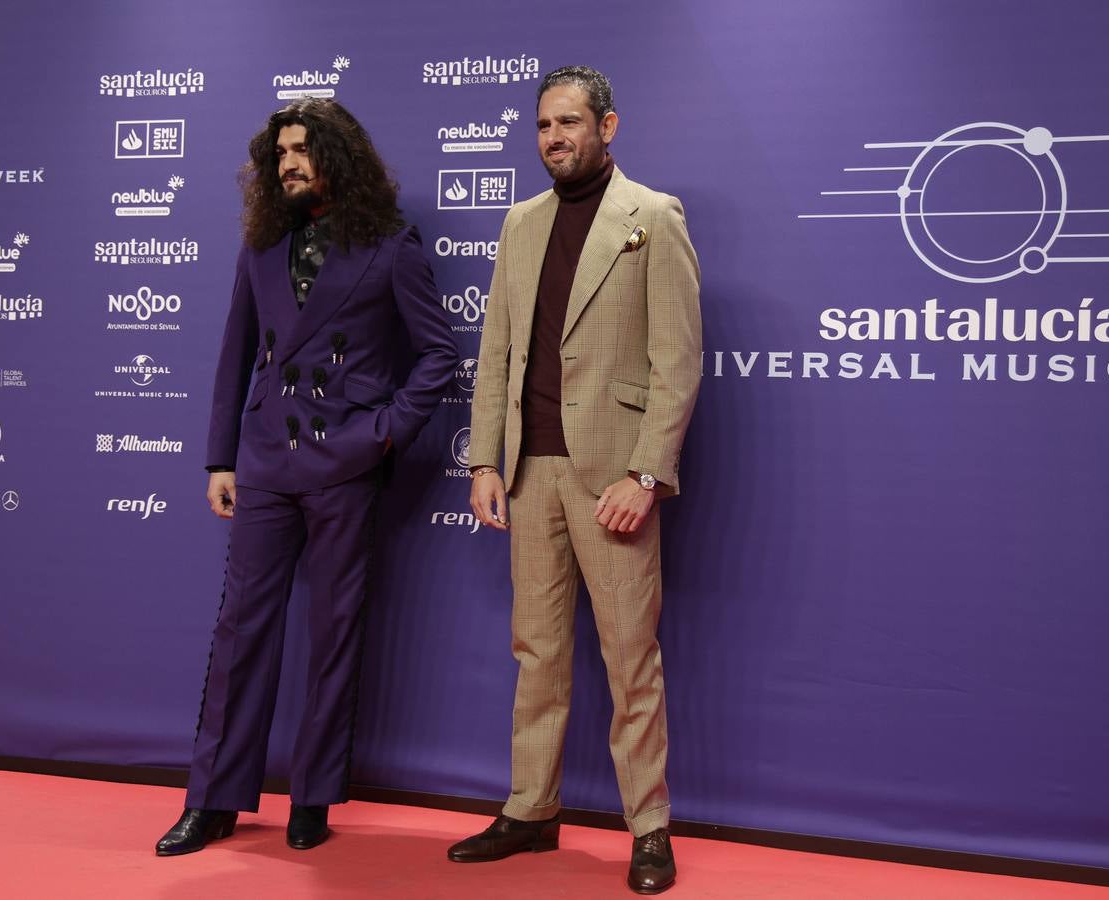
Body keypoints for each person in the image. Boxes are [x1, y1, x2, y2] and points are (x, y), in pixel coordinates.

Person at [155, 98, 458, 856]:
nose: (288, 162)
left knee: (333, 631)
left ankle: (314, 796)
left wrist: (382, 435)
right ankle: (214, 799)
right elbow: (234, 352)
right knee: (240, 631)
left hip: (344, 462)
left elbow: (436, 355)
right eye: (280, 152)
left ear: (337, 156)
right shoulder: (259, 246)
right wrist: (220, 458)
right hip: (262, 458)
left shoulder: (391, 245)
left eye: (302, 149)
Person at [449, 66, 702, 894]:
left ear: (608, 126)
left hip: (612, 480)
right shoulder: (519, 223)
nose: (554, 138)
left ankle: (650, 828)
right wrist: (484, 459)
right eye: (543, 126)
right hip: (529, 474)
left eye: (568, 123)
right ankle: (531, 810)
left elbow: (678, 361)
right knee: (538, 653)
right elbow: (495, 354)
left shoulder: (653, 217)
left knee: (630, 660)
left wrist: (645, 472)